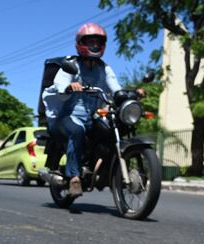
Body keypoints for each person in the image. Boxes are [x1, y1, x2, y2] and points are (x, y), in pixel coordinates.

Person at [42, 23, 142, 197]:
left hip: (92, 116)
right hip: (66, 117)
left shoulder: (105, 68)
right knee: (77, 130)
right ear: (81, 43)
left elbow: (115, 88)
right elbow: (60, 83)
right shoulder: (71, 65)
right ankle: (74, 177)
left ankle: (101, 167)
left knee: (109, 130)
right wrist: (69, 86)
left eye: (97, 42)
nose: (94, 46)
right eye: (90, 42)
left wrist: (130, 94)